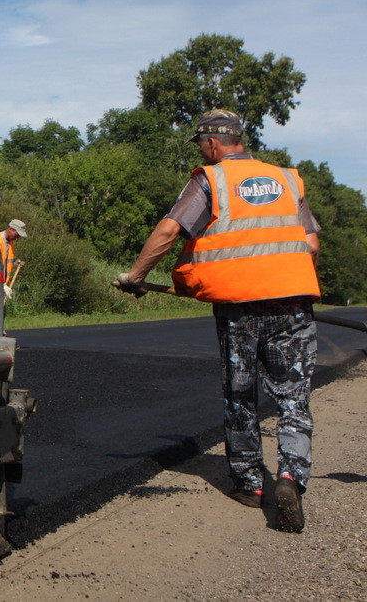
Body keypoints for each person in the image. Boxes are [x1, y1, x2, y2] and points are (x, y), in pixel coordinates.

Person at [115, 109, 320, 533]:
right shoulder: (287, 179)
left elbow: (171, 229)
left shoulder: (211, 180)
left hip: (239, 309)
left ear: (211, 143)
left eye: (202, 145)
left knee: (240, 395)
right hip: (293, 304)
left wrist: (136, 277)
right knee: (293, 399)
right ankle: (289, 478)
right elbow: (311, 244)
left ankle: (250, 484)